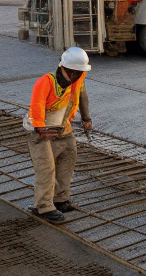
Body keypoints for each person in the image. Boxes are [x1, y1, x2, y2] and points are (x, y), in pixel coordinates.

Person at [23, 46, 93, 223]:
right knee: (46, 167)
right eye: (75, 72)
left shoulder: (77, 80)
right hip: (40, 128)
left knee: (68, 156)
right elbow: (37, 105)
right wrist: (40, 129)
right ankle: (44, 206)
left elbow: (82, 95)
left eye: (80, 73)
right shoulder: (45, 82)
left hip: (62, 125)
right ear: (65, 68)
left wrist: (86, 118)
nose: (77, 76)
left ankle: (60, 198)